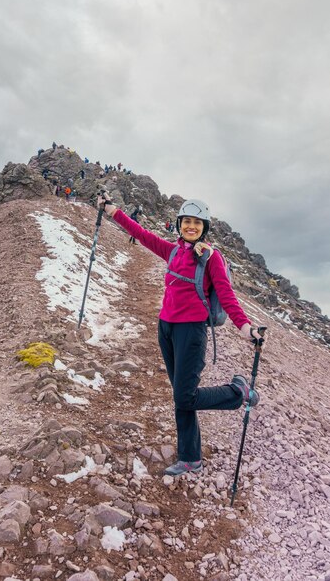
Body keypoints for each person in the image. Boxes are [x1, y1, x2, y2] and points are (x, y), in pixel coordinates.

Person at [97, 195, 264, 477]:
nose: (190, 226)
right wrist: (113, 211)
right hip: (166, 327)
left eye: (196, 223)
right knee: (180, 395)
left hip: (192, 331)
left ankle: (239, 393)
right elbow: (141, 233)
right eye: (186, 221)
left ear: (204, 227)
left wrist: (246, 328)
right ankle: (190, 458)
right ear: (179, 224)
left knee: (186, 396)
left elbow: (226, 294)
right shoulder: (173, 251)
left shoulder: (211, 257)